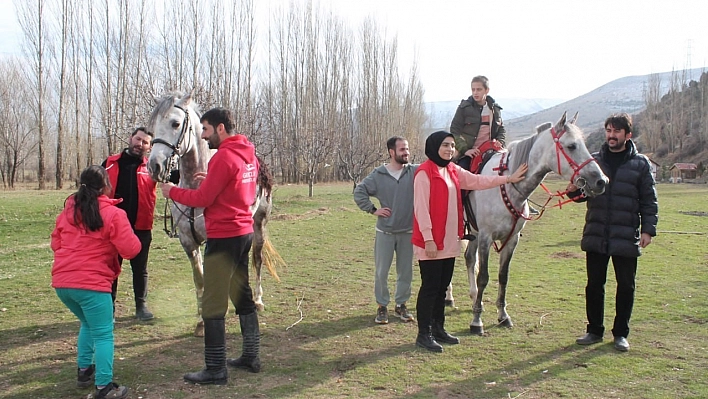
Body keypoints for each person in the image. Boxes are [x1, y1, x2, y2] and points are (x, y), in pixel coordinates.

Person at [160, 107, 261, 385]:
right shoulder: (248, 153)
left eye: (205, 129)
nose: (203, 136)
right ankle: (251, 355)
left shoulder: (222, 158)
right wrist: (212, 183)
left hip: (224, 236)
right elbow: (242, 189)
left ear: (219, 128)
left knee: (213, 303)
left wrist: (173, 192)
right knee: (242, 295)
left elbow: (202, 199)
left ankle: (215, 368)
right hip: (243, 232)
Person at [412, 131, 527, 352]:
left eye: (452, 145)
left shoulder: (453, 170)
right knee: (430, 288)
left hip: (448, 241)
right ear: (434, 146)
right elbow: (421, 210)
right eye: (444, 145)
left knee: (442, 287)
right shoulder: (423, 173)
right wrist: (428, 239)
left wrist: (508, 179)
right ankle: (423, 334)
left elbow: (479, 181)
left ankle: (439, 329)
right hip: (431, 243)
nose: (448, 149)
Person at [569, 113, 658, 352]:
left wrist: (648, 230)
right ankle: (594, 330)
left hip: (626, 234)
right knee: (594, 285)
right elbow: (581, 194)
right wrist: (572, 191)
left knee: (626, 286)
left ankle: (620, 334)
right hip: (597, 231)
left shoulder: (641, 164)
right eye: (609, 130)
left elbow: (649, 201)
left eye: (617, 131)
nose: (611, 135)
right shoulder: (594, 161)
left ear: (628, 135)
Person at [51, 165, 141, 399]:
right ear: (106, 187)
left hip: (63, 283)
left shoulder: (68, 212)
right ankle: (104, 387)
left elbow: (56, 243)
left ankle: (84, 370)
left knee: (88, 324)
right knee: (103, 333)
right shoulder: (113, 214)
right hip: (92, 284)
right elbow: (131, 249)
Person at [353, 136, 417, 325]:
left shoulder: (414, 171)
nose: (406, 152)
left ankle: (401, 305)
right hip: (385, 233)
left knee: (405, 272)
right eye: (402, 149)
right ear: (391, 152)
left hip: (408, 232)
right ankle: (382, 307)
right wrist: (373, 210)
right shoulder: (378, 174)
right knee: (382, 272)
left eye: (407, 149)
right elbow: (359, 191)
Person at [102, 127, 157, 321]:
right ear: (130, 138)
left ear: (149, 147)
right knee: (111, 268)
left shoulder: (152, 167)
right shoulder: (109, 163)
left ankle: (141, 307)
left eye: (145, 142)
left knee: (140, 269)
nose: (139, 144)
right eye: (138, 139)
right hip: (112, 227)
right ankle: (109, 308)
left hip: (141, 226)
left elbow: (174, 178)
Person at [449, 75, 506, 173]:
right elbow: (454, 131)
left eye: (479, 89)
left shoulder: (494, 109)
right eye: (473, 89)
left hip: (490, 152)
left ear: (487, 90)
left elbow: (501, 129)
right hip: (468, 154)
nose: (475, 93)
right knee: (459, 177)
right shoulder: (464, 108)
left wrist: (500, 141)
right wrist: (465, 150)